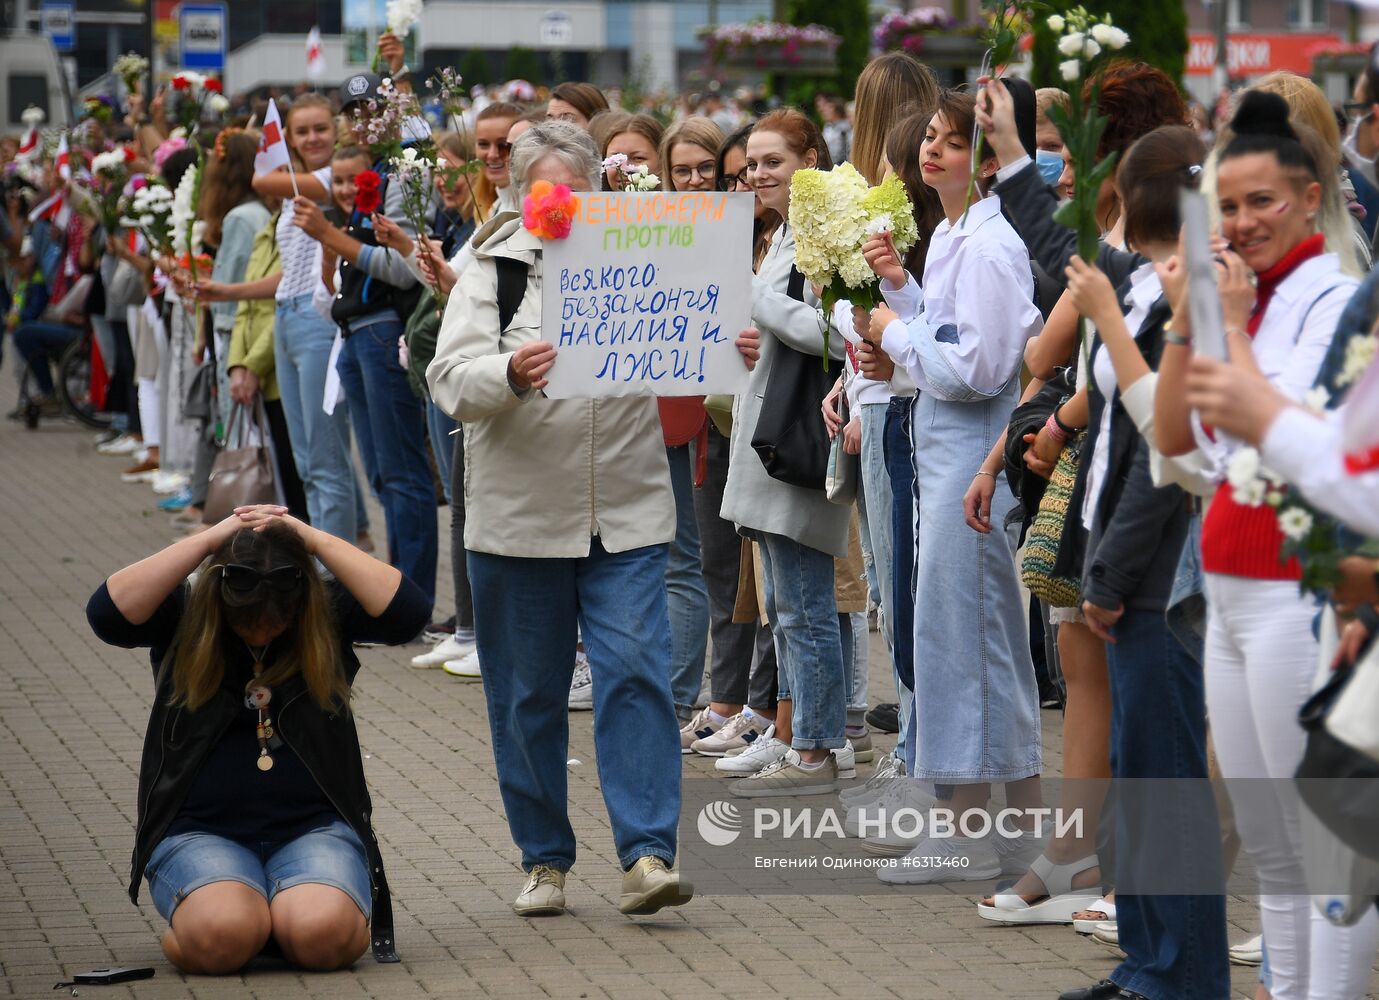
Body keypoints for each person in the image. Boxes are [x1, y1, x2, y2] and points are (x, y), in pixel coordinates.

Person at [426, 120, 758, 916]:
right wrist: (507, 370)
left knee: (636, 676)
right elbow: (448, 378)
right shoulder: (491, 268)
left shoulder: (649, 255)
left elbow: (701, 355)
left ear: (599, 193)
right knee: (527, 696)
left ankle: (647, 856)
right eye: (542, 191)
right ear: (517, 194)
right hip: (517, 521)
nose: (558, 206)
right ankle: (544, 859)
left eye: (573, 191)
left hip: (628, 513)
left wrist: (734, 349)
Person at [1155, 90, 1379, 1000]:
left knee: (1324, 845)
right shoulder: (1234, 295)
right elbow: (1176, 437)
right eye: (1226, 204)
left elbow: (1304, 452)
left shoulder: (1332, 298)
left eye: (1261, 203)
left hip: (1301, 587)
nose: (1241, 222)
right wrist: (1184, 317)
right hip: (1229, 580)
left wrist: (1234, 330)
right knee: (1271, 844)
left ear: (1310, 194)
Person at [85, 504, 430, 974]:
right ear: (220, 596)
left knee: (324, 940)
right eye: (246, 623)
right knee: (222, 938)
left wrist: (310, 538)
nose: (262, 632)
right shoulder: (184, 611)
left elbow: (409, 613)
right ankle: (245, 925)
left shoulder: (325, 610)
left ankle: (275, 922)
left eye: (276, 623)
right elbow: (106, 613)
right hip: (198, 831)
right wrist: (210, 541)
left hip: (313, 830)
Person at [857, 90, 1044, 878]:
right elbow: (945, 332)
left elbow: (975, 370)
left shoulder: (992, 245)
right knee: (960, 643)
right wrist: (901, 292)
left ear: (992, 160)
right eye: (930, 137)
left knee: (967, 644)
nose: (931, 151)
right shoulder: (953, 237)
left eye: (953, 141)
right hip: (948, 457)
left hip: (972, 460)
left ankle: (973, 833)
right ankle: (1000, 831)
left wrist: (889, 330)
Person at [719, 108, 851, 797]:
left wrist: (754, 306)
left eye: (773, 161)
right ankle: (801, 740)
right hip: (768, 440)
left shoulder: (824, 232)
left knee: (803, 606)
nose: (758, 174)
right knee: (788, 608)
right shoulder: (780, 236)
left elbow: (835, 331)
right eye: (750, 165)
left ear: (808, 158)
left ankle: (817, 751)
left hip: (795, 443)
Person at [294, 78, 438, 608]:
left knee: (401, 474)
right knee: (382, 475)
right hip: (357, 331)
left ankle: (409, 600)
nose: (362, 121)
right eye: (353, 113)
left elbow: (402, 270)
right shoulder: (371, 174)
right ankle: (394, 596)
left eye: (372, 111)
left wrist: (330, 237)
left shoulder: (403, 171)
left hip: (382, 328)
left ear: (391, 115)